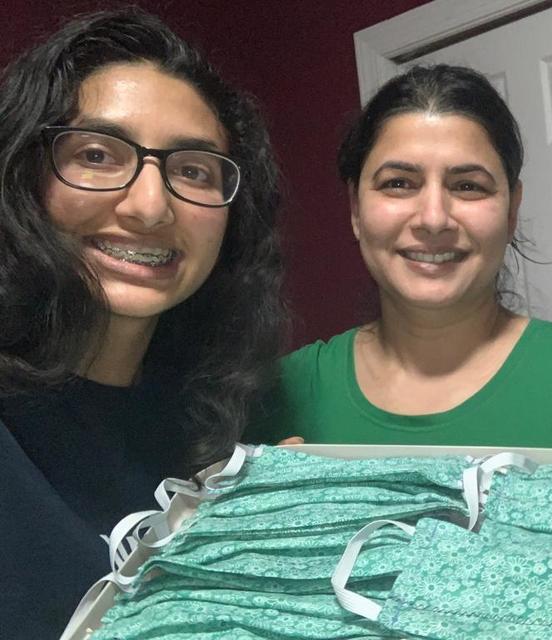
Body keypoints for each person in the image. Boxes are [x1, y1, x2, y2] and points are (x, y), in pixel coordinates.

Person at [0, 9, 285, 638]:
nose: (151, 207)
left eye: (192, 170)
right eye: (97, 154)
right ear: (22, 177)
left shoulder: (229, 425)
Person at [247, 64, 552, 452]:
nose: (433, 218)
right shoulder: (277, 394)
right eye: (398, 183)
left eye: (468, 186)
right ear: (356, 209)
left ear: (512, 211)